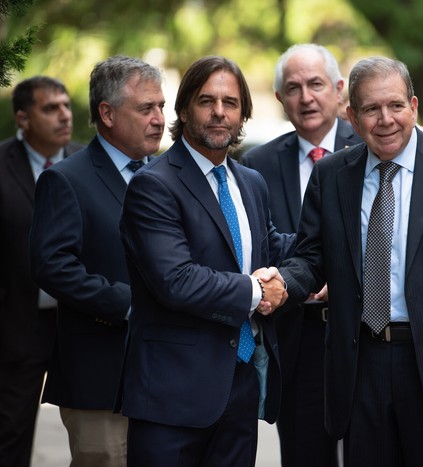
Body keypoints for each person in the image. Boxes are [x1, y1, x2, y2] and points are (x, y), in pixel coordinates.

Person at [274, 56, 423, 467]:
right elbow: (310, 259)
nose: (385, 119)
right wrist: (278, 284)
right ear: (351, 116)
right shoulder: (332, 175)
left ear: (414, 106)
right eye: (370, 109)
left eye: (395, 106)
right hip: (359, 368)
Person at [116, 55, 296, 467]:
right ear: (183, 110)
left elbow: (270, 248)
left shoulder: (250, 182)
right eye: (206, 101)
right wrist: (258, 290)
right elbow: (176, 280)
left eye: (230, 103)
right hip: (171, 397)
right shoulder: (153, 185)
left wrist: (331, 250)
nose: (219, 112)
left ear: (242, 113)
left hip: (240, 384)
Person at [28, 56, 165, 467]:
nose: (159, 118)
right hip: (100, 378)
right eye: (146, 108)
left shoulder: (166, 175)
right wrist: (126, 304)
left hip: (167, 377)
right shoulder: (66, 178)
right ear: (106, 113)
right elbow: (52, 266)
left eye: (161, 106)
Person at [241, 43, 362, 467]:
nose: (305, 97)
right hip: (296, 341)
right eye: (293, 88)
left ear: (339, 90)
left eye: (315, 84)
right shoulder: (256, 165)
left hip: (361, 337)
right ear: (279, 99)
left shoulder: (372, 148)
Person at [0, 76, 80, 467]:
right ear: (22, 118)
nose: (63, 115)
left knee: (96, 434)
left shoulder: (85, 162)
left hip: (79, 324)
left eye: (66, 106)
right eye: (50, 108)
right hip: (14, 325)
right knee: (9, 433)